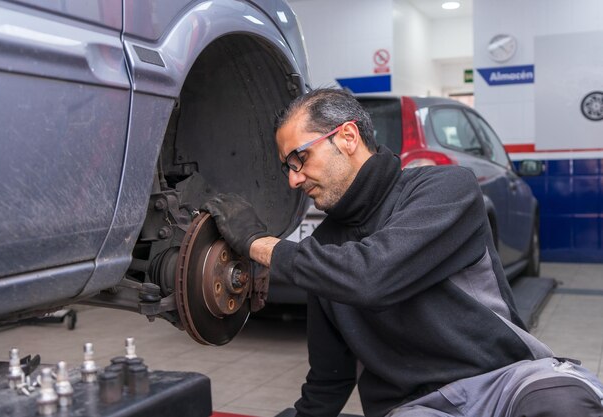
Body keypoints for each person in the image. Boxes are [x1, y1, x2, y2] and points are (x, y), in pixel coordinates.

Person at [202, 88, 603, 417]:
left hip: (504, 382)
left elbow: (374, 276)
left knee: (564, 402)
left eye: (299, 158)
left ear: (347, 137)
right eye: (286, 167)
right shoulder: (322, 252)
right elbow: (329, 382)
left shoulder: (446, 189)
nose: (293, 180)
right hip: (416, 409)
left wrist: (257, 242)